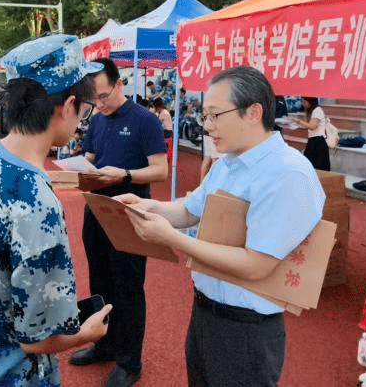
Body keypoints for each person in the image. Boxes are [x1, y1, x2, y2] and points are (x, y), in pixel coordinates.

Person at [117, 65, 325, 386]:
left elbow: (257, 264)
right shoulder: (227, 163)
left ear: (253, 112)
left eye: (215, 115)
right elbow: (189, 211)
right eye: (205, 116)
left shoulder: (287, 174)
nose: (207, 126)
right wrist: (148, 206)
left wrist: (172, 238)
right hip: (205, 313)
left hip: (247, 330)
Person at [0, 34, 111, 386]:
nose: (82, 118)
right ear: (67, 105)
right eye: (85, 109)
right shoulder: (37, 202)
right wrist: (86, 333)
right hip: (11, 371)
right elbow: (37, 338)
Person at [69, 58, 168, 387]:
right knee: (100, 281)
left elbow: (160, 170)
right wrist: (79, 171)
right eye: (93, 99)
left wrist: (124, 175)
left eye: (104, 96)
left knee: (128, 288)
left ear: (120, 84)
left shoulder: (145, 121)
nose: (99, 104)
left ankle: (129, 362)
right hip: (95, 209)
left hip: (129, 213)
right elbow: (91, 159)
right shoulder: (97, 120)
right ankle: (105, 344)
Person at [292, 96, 331, 171]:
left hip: (318, 142)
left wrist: (298, 121)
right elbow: (307, 125)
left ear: (310, 101)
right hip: (313, 141)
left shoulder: (317, 110)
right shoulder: (312, 111)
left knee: (317, 168)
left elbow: (312, 126)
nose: (303, 103)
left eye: (305, 101)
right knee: (310, 166)